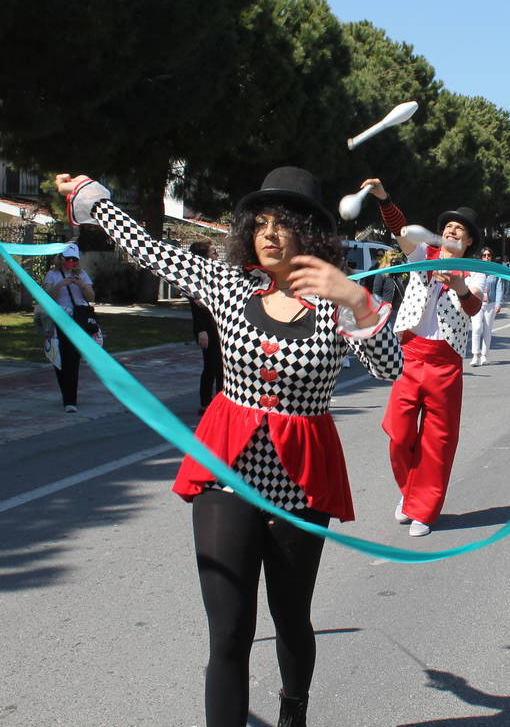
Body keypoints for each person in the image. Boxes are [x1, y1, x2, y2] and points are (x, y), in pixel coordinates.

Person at [57, 167, 401, 727]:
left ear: (308, 235)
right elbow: (148, 249)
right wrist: (92, 197)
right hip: (227, 470)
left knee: (291, 617)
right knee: (229, 632)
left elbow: (391, 368)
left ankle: (294, 710)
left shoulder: (338, 304)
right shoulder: (229, 284)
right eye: (259, 223)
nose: (268, 234)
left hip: (299, 480)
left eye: (282, 224)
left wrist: (358, 301)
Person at [365, 177, 481, 537]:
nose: (452, 232)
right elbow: (401, 230)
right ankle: (410, 492)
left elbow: (474, 306)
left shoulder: (476, 270)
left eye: (459, 231)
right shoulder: (421, 257)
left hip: (446, 364)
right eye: (448, 227)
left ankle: (424, 510)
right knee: (399, 435)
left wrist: (459, 285)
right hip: (410, 356)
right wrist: (385, 198)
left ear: (468, 241)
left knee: (438, 441)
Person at [42, 241, 96, 413]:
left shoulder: (82, 274)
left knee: (72, 360)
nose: (71, 263)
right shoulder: (52, 274)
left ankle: (70, 400)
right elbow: (47, 296)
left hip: (77, 321)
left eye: (75, 260)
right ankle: (66, 394)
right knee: (58, 359)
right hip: (58, 321)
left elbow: (91, 296)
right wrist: (61, 284)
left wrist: (81, 285)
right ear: (61, 258)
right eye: (68, 259)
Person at [189, 241, 223, 413]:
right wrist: (202, 331)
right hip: (207, 328)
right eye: (213, 252)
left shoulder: (215, 274)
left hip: (219, 326)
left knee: (220, 366)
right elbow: (199, 307)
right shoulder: (196, 278)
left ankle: (218, 402)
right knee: (213, 365)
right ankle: (208, 402)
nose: (217, 255)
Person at [467, 247, 507, 367]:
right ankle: (475, 355)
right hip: (477, 302)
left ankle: (484, 356)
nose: (486, 257)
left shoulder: (495, 271)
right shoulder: (475, 270)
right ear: (480, 257)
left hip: (490, 303)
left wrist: (499, 303)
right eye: (484, 255)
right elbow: (469, 283)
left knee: (487, 330)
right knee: (477, 328)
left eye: (488, 255)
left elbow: (500, 287)